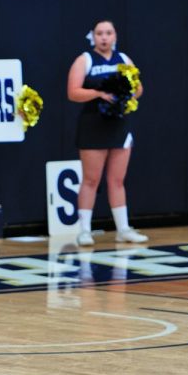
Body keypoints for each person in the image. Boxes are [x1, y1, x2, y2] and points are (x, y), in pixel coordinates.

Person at [67, 19, 148, 247]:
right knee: (91, 179)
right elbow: (73, 92)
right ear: (93, 36)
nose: (104, 37)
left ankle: (123, 228)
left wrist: (126, 95)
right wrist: (99, 94)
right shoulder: (84, 60)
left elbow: (138, 88)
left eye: (108, 33)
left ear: (115, 36)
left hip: (118, 124)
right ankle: (84, 230)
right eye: (100, 33)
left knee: (117, 179)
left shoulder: (123, 60)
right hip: (93, 124)